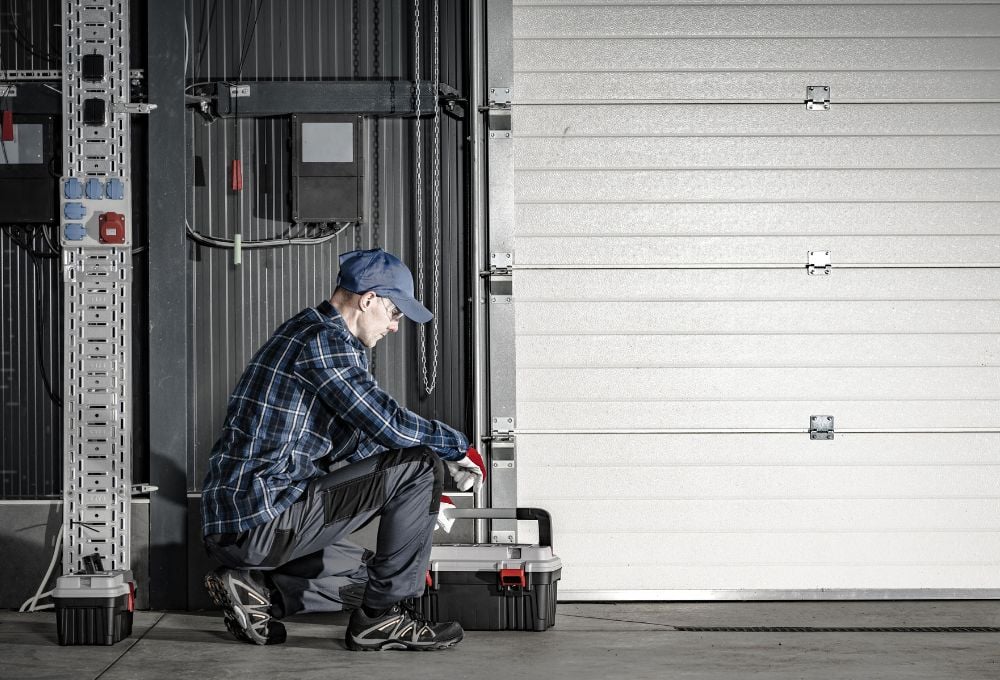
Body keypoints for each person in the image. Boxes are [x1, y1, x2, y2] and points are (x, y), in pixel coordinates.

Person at [200, 247, 486, 651]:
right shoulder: (324, 342)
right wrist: (456, 450)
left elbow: (357, 443)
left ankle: (259, 592)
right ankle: (381, 620)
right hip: (261, 518)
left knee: (366, 573)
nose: (395, 327)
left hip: (250, 521)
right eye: (394, 313)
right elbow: (388, 423)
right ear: (368, 299)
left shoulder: (309, 332)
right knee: (421, 464)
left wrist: (420, 503)